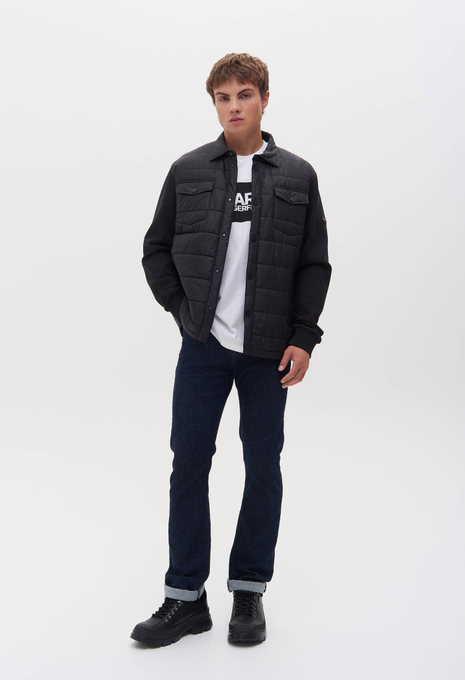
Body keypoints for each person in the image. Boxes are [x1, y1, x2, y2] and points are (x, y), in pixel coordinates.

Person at [131, 52, 331, 647]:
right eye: (223, 97)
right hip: (204, 347)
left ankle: (248, 590)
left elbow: (314, 264)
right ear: (214, 104)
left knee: (262, 466)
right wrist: (184, 311)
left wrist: (304, 336)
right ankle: (185, 598)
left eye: (245, 95)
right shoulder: (188, 170)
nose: (234, 106)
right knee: (188, 465)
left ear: (264, 99)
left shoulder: (298, 176)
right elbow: (155, 250)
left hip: (269, 351)